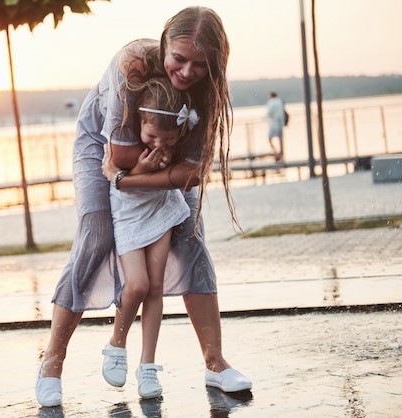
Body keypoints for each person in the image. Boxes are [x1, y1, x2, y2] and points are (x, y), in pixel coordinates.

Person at [35, 6, 252, 408]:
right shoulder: (132, 65)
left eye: (201, 65)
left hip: (156, 161)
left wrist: (128, 180)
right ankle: (52, 361)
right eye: (179, 58)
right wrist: (124, 175)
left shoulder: (207, 92)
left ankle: (215, 362)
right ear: (165, 41)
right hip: (100, 150)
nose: (187, 72)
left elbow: (192, 175)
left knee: (189, 237)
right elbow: (118, 154)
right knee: (97, 237)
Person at [102, 77, 195, 399]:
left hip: (159, 207)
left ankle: (148, 366)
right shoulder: (123, 142)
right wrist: (139, 170)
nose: (159, 144)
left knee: (155, 287)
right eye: (152, 135)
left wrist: (149, 169)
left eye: (168, 139)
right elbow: (113, 175)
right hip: (128, 213)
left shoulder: (168, 149)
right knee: (137, 285)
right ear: (141, 122)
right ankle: (116, 342)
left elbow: (164, 179)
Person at [266, 91, 286, 162]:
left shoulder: (271, 102)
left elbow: (269, 113)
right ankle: (281, 154)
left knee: (270, 139)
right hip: (280, 123)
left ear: (271, 96)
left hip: (274, 124)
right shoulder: (280, 101)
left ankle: (276, 153)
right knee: (280, 139)